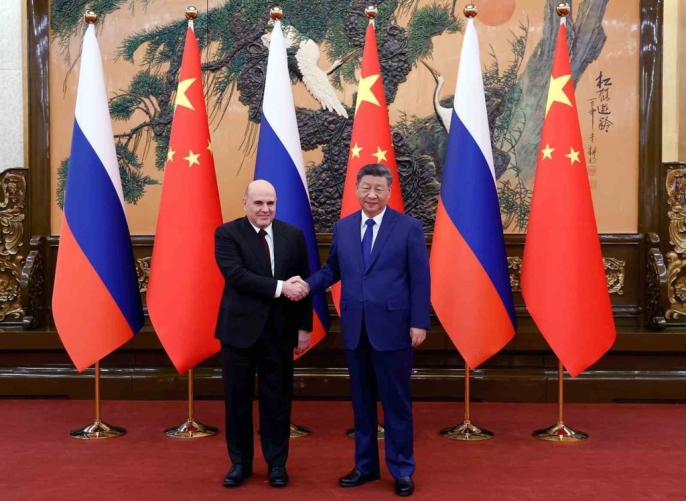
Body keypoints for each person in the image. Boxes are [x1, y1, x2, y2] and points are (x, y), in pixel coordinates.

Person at [291, 164, 430, 497]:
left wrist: (419, 322)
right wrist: (307, 285)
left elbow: (420, 279)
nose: (371, 194)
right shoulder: (343, 227)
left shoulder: (408, 227)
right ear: (356, 188)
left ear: (389, 191)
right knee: (362, 403)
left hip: (395, 330)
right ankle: (365, 466)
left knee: (396, 404)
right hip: (355, 329)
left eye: (379, 189)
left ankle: (402, 469)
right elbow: (332, 270)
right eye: (366, 187)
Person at [214, 179, 311, 489]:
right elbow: (237, 276)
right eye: (258, 203)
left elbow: (304, 282)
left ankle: (277, 464)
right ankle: (240, 464)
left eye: (270, 203)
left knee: (277, 403)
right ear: (245, 203)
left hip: (280, 333)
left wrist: (304, 326)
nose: (265, 208)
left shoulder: (292, 235)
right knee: (237, 402)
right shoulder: (227, 234)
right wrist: (282, 288)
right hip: (238, 333)